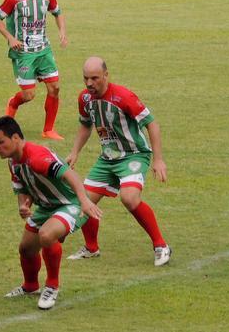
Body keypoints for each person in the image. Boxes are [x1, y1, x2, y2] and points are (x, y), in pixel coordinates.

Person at [66, 57, 171, 266]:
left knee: (130, 198)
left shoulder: (124, 96)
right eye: (85, 79)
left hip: (133, 155)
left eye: (94, 78)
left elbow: (152, 124)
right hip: (108, 159)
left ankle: (161, 245)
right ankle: (91, 248)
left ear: (106, 75)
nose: (89, 84)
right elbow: (85, 125)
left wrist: (158, 160)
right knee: (83, 201)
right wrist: (75, 151)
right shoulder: (85, 99)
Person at [0, 116, 102, 310]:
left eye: (1, 142)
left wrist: (84, 201)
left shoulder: (38, 157)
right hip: (46, 207)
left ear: (15, 138)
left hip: (69, 203)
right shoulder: (13, 162)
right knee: (26, 248)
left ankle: (51, 286)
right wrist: (23, 205)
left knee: (46, 235)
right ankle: (30, 286)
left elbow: (70, 174)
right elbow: (22, 186)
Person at [0, 0, 68, 141]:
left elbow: (58, 13)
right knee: (29, 95)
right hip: (23, 53)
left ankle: (48, 130)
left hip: (43, 50)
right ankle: (13, 103)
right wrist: (10, 38)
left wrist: (62, 31)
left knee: (55, 87)